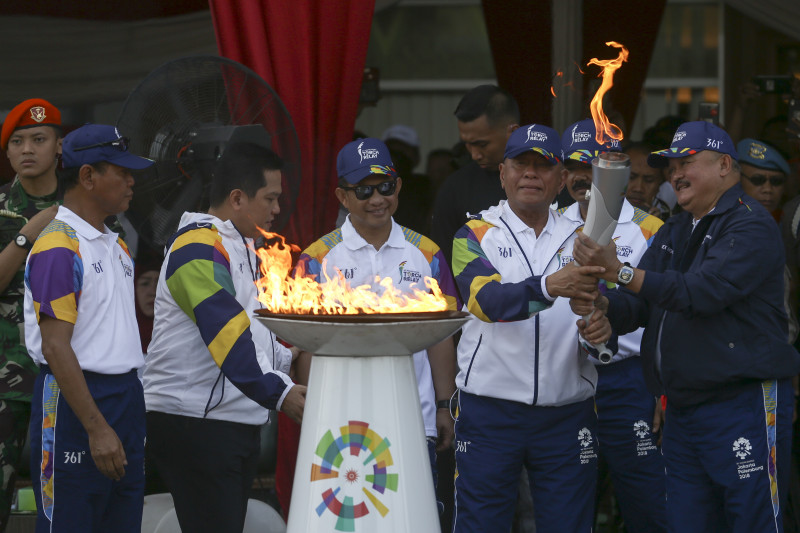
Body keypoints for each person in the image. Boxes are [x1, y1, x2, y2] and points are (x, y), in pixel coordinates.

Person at [572, 120, 800, 533]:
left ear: (725, 166)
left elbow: (701, 292)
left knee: (754, 522)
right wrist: (603, 306)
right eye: (672, 165)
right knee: (685, 523)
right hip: (682, 411)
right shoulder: (677, 228)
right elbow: (641, 303)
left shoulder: (749, 223)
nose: (675, 173)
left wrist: (619, 272)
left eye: (688, 162)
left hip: (743, 403)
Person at [450, 124, 611, 533]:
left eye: (544, 166)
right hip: (490, 412)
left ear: (560, 179)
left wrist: (600, 325)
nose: (531, 174)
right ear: (503, 173)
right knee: (482, 525)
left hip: (566, 414)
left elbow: (604, 307)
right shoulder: (474, 234)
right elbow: (486, 302)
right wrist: (548, 286)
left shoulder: (584, 237)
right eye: (521, 164)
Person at [143, 141, 306, 533]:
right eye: (270, 198)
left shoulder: (242, 245)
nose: (277, 209)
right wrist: (281, 393)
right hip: (195, 423)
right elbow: (226, 334)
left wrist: (289, 353)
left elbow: (251, 331)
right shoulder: (198, 246)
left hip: (227, 420)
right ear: (237, 198)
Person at [296, 137, 459, 500]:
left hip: (413, 420)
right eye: (364, 190)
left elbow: (439, 337)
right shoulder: (316, 259)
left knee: (413, 520)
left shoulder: (427, 254)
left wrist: (446, 405)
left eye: (385, 186)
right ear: (342, 197)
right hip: (340, 426)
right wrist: (315, 416)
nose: (377, 199)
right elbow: (305, 345)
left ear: (398, 186)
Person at [23, 124, 154, 532]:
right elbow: (56, 347)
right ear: (87, 176)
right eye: (121, 170)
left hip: (125, 396)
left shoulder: (115, 242)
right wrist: (97, 428)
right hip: (75, 402)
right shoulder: (59, 246)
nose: (132, 181)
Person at [559, 119, 667, 533]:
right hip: (565, 377)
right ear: (563, 172)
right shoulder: (546, 226)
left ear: (614, 170)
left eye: (594, 165)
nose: (585, 175)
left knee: (647, 501)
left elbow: (665, 311)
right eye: (574, 165)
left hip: (630, 380)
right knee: (568, 503)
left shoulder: (652, 230)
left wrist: (660, 391)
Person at [0, 98, 62, 532]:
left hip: (66, 376)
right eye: (17, 141)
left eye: (39, 139)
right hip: (5, 380)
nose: (27, 149)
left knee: (64, 498)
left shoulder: (85, 206)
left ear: (60, 147)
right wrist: (26, 235)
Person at [431, 84, 519, 268]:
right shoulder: (455, 188)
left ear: (513, 132)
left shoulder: (547, 182)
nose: (474, 154)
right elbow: (445, 267)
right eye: (467, 144)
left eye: (481, 144)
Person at [737, 137, 790, 220]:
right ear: (738, 181)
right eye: (758, 180)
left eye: (776, 181)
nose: (768, 189)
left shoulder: (787, 223)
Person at [624, 141, 672, 220]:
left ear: (660, 184)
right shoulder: (597, 208)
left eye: (649, 180)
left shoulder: (664, 225)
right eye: (631, 177)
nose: (638, 188)